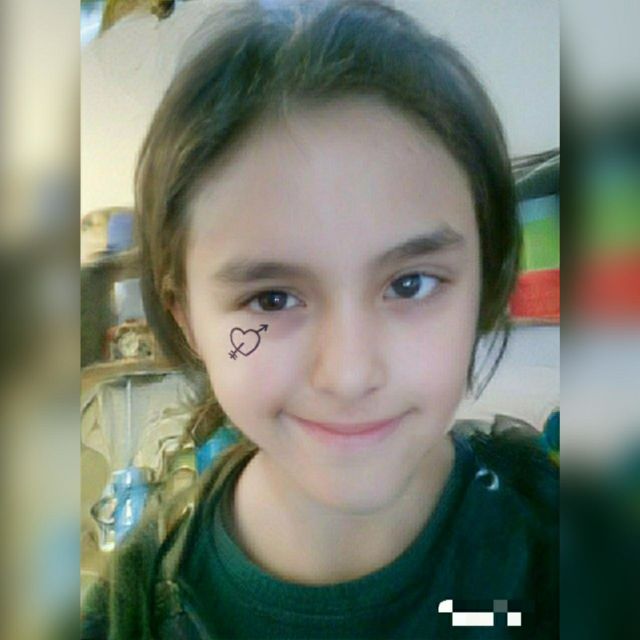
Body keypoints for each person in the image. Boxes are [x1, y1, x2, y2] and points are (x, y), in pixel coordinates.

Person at [81, 1, 558, 638]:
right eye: (271, 299)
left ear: (484, 282)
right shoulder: (132, 611)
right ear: (187, 319)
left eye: (411, 284)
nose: (349, 375)